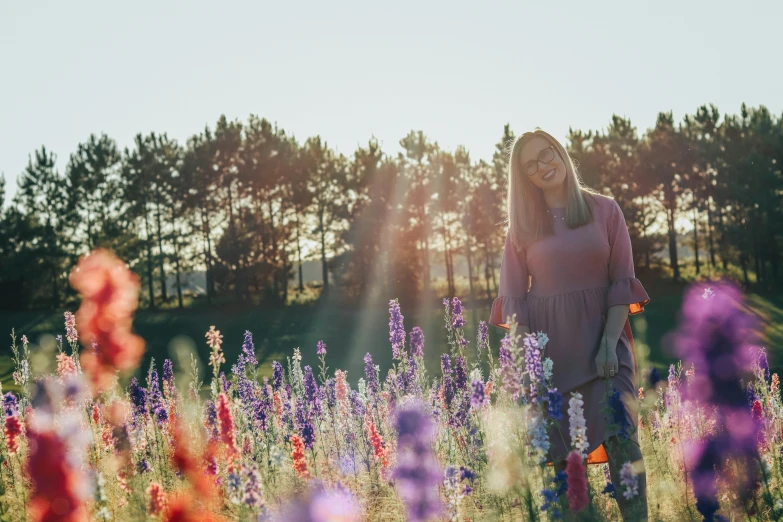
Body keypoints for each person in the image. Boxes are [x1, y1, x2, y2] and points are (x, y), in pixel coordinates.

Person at [488, 129, 650, 521]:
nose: (544, 166)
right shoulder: (523, 227)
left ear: (561, 153)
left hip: (605, 343)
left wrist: (610, 342)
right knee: (565, 467)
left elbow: (620, 283)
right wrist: (532, 369)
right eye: (532, 164)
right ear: (524, 176)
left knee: (622, 441)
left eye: (548, 155)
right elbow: (514, 305)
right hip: (551, 355)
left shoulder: (605, 210)